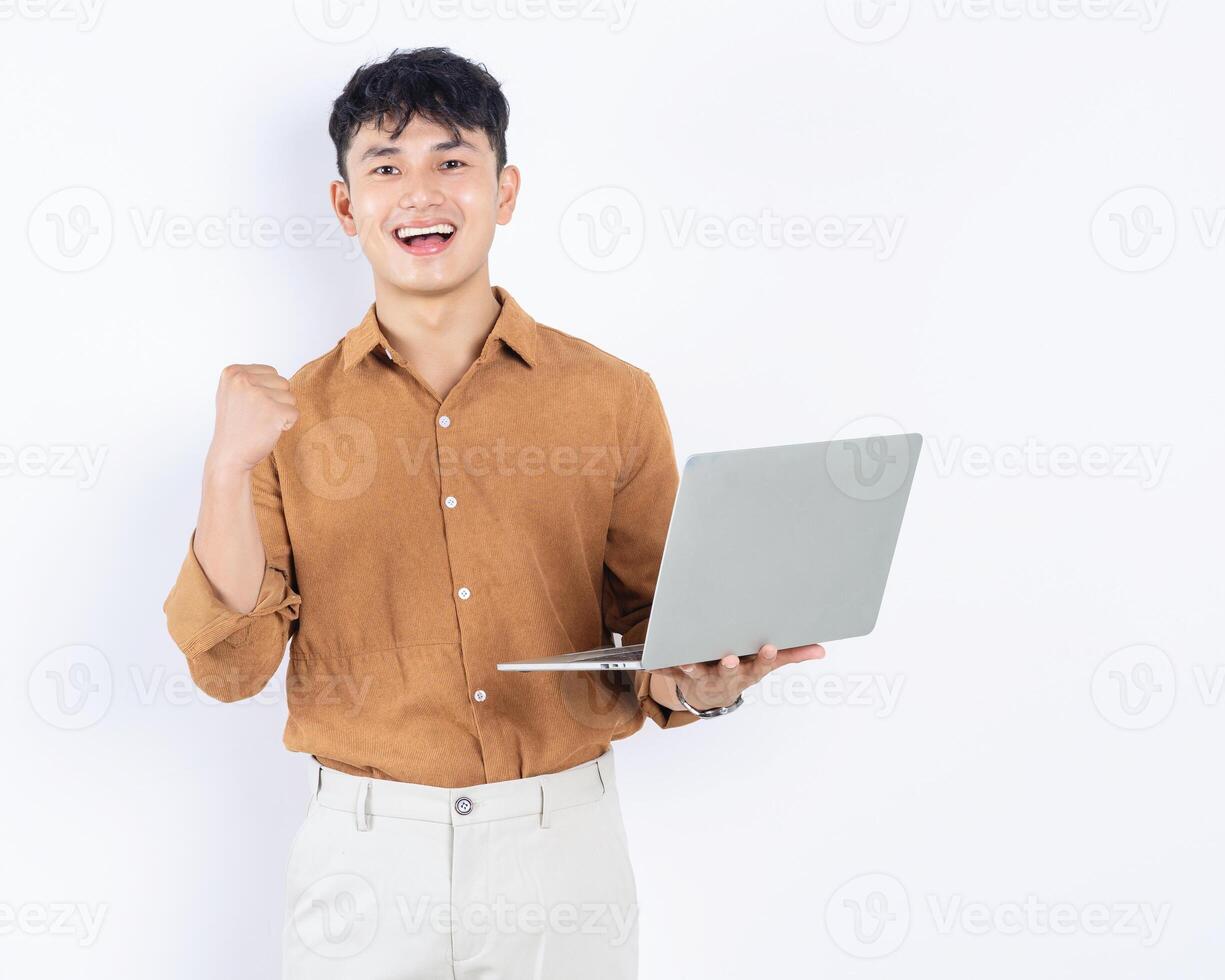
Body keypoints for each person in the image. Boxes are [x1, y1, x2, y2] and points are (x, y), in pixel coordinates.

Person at [162, 46, 824, 978]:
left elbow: (655, 632)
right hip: (363, 859)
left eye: (452, 161)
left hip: (564, 850)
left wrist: (699, 687)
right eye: (385, 168)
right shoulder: (287, 415)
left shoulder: (612, 397)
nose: (420, 192)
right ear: (346, 206)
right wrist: (225, 468)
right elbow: (233, 665)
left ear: (504, 191)